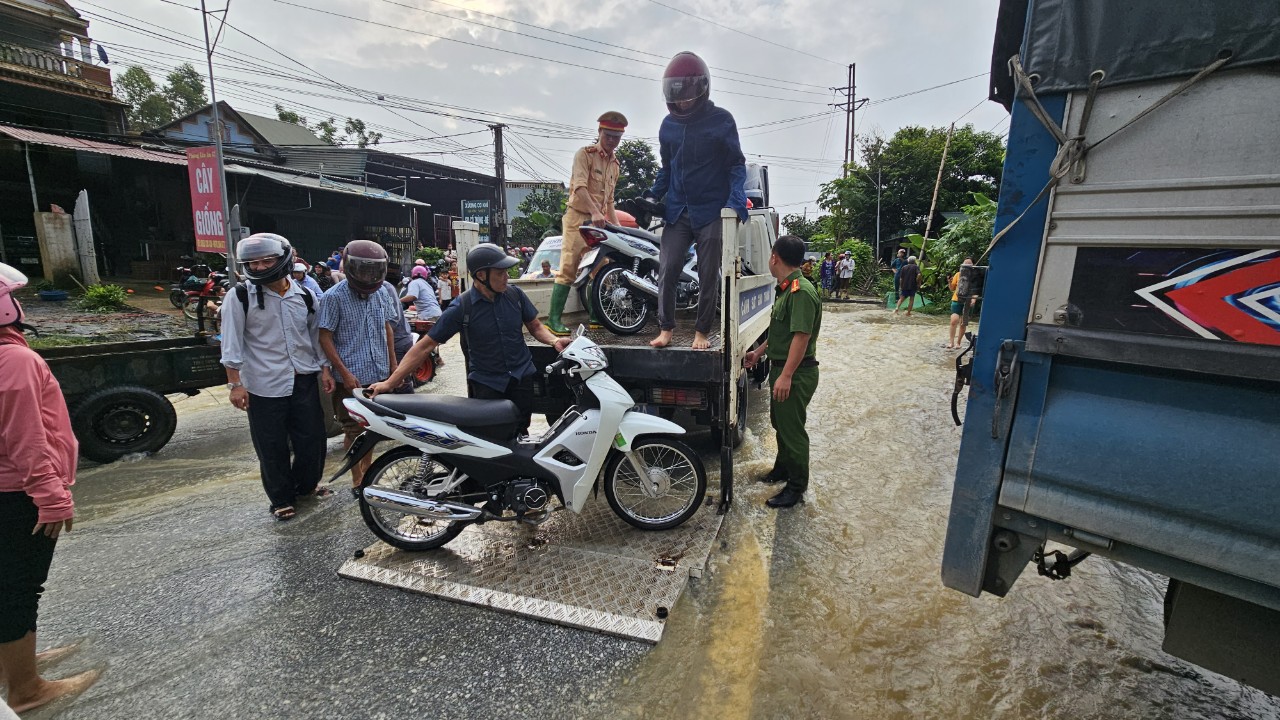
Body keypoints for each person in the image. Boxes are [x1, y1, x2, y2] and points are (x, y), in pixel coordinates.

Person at [0, 263, 102, 712]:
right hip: (17, 492)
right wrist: (51, 495)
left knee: (7, 586)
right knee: (21, 587)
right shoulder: (15, 360)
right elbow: (27, 436)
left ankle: (13, 662)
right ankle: (27, 688)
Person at [368, 244, 571, 436]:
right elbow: (425, 346)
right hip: (488, 386)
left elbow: (535, 326)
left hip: (521, 378)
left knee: (521, 432)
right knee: (491, 438)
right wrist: (390, 382)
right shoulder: (462, 307)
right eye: (501, 273)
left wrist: (554, 341)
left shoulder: (515, 295)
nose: (507, 278)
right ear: (481, 275)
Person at [220, 234, 334, 521]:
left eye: (265, 260)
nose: (258, 267)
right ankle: (281, 498)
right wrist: (235, 384)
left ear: (283, 259)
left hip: (303, 379)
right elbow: (231, 342)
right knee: (271, 446)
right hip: (262, 384)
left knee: (313, 441)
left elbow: (314, 338)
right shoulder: (241, 296)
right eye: (252, 263)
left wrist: (325, 369)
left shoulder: (306, 295)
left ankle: (306, 486)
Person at [646, 51, 748, 350]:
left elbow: (736, 165)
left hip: (711, 210)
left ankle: (702, 332)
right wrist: (653, 193)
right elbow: (667, 167)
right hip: (678, 210)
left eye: (690, 95)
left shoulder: (721, 120)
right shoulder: (668, 125)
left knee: (707, 272)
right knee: (667, 268)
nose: (684, 100)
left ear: (703, 89)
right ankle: (666, 329)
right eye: (678, 95)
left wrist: (734, 200)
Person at [742, 236, 822, 509]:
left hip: (796, 373)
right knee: (781, 425)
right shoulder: (787, 290)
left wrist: (786, 375)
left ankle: (797, 488)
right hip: (784, 369)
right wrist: (759, 352)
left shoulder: (801, 292)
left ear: (774, 257)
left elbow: (801, 337)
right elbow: (781, 333)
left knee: (793, 432)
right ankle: (782, 470)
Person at [318, 240, 399, 492]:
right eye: (362, 270)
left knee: (371, 427)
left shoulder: (382, 291)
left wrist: (394, 365)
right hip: (350, 377)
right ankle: (357, 479)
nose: (368, 275)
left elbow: (387, 328)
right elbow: (324, 337)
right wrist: (342, 371)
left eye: (373, 270)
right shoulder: (333, 297)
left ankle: (368, 473)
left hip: (378, 373)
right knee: (353, 429)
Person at [547, 111, 627, 335]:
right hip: (578, 217)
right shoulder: (585, 155)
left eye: (616, 137)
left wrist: (618, 229)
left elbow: (610, 201)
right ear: (600, 132)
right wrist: (595, 212)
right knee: (569, 266)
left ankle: (595, 316)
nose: (612, 140)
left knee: (601, 268)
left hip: (599, 223)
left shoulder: (615, 165)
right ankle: (553, 320)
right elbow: (580, 188)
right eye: (608, 135)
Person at [948, 257, 976, 349]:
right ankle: (951, 342)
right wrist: (949, 282)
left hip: (968, 300)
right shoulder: (958, 274)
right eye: (965, 264)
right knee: (954, 320)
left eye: (969, 264)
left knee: (963, 323)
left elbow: (976, 290)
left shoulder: (975, 276)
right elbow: (952, 288)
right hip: (956, 299)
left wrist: (973, 300)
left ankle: (958, 343)